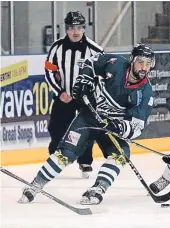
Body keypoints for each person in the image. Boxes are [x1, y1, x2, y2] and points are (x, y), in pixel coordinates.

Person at [18, 43, 155, 205]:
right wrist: (85, 79)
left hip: (110, 127)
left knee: (120, 155)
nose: (144, 67)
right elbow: (91, 62)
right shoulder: (115, 63)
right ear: (132, 60)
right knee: (66, 153)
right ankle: (35, 184)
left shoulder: (145, 92)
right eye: (140, 61)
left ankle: (98, 188)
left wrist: (120, 127)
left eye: (148, 63)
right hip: (88, 117)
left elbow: (137, 126)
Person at [44, 11, 104, 178]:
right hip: (64, 97)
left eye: (79, 27)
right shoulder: (56, 47)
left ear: (84, 28)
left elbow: (103, 76)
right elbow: (49, 72)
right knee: (56, 127)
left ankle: (85, 161)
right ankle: (55, 158)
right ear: (66, 29)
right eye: (71, 28)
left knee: (86, 129)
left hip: (86, 100)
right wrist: (60, 92)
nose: (75, 31)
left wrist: (93, 96)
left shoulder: (95, 50)